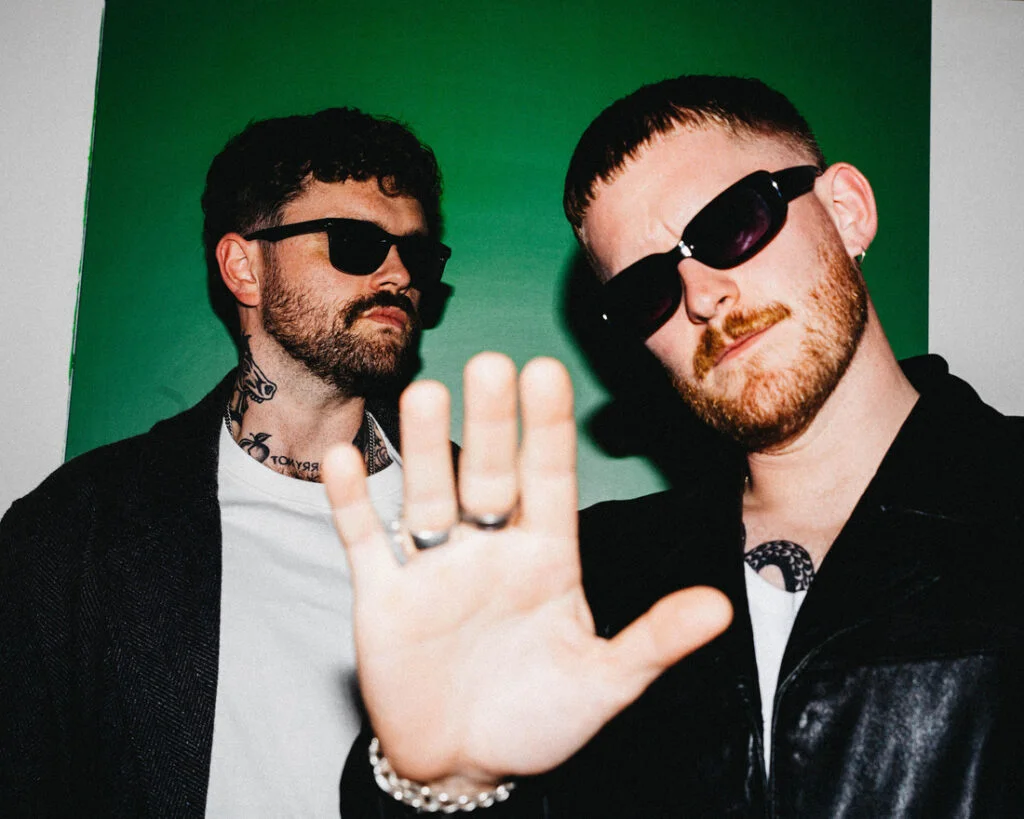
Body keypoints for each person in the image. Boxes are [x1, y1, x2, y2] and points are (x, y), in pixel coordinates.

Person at [327, 76, 1024, 816]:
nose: (700, 294)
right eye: (647, 289)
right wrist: (448, 783)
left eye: (732, 224)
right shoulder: (592, 578)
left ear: (847, 211)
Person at [0, 107, 453, 816]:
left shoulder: (486, 519)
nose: (398, 274)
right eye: (356, 243)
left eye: (417, 256)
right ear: (244, 267)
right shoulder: (75, 533)